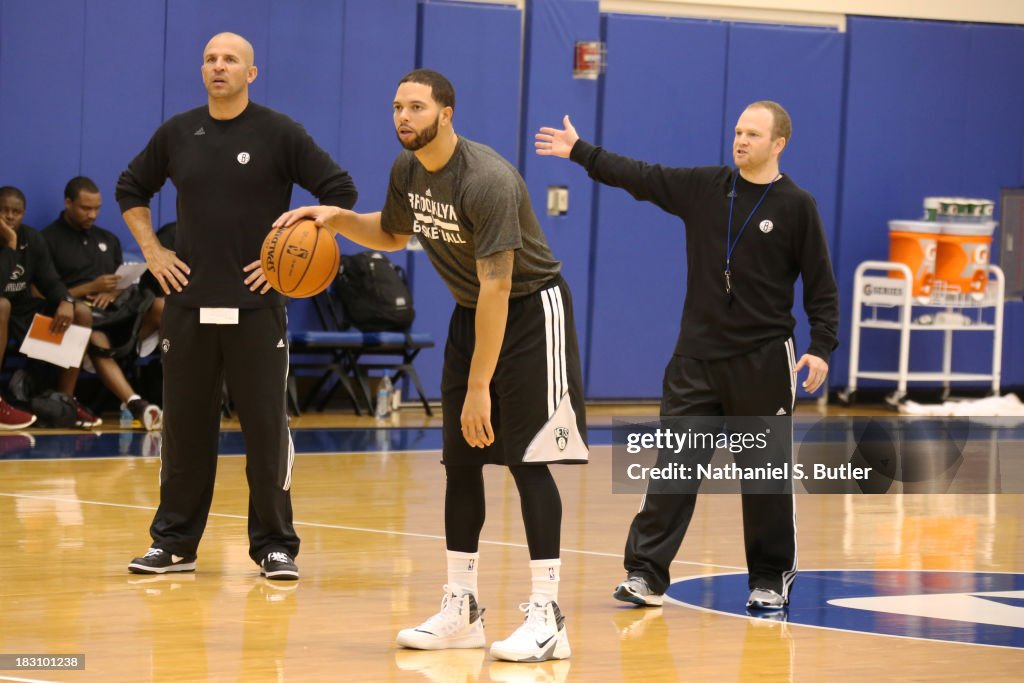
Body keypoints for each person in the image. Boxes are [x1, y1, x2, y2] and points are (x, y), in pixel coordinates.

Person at [275, 69, 588, 662]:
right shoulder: (408, 170)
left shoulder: (486, 179)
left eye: (416, 107)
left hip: (528, 310)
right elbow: (393, 234)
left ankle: (548, 616)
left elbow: (499, 285)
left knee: (527, 460)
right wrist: (334, 219)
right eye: (396, 106)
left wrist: (478, 386)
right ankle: (462, 608)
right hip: (474, 313)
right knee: (461, 459)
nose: (403, 117)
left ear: (446, 113)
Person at [536, 102, 839, 611]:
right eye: (738, 131)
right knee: (673, 468)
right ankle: (646, 574)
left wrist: (821, 347)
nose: (741, 141)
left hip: (763, 361)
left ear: (778, 143)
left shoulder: (796, 205)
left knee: (764, 477)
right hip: (695, 358)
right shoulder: (706, 187)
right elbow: (642, 177)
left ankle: (769, 577)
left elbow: (821, 286)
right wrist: (580, 152)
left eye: (753, 134)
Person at [115, 32, 357, 580]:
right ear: (202, 71)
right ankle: (174, 543)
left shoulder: (279, 132)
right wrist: (153, 252)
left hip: (258, 308)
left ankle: (275, 547)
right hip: (187, 304)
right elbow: (131, 187)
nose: (218, 67)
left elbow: (340, 192)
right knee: (184, 430)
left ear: (252, 73)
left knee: (267, 431)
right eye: (210, 59)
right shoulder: (178, 132)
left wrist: (290, 246)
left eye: (230, 60)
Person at [43, 176, 163, 430]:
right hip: (77, 322)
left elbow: (120, 280)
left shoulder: (108, 239)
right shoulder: (48, 239)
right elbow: (41, 293)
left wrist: (115, 292)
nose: (92, 214)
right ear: (68, 203)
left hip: (118, 317)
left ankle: (194, 392)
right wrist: (90, 288)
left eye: (97, 208)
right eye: (86, 208)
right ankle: (136, 404)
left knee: (162, 306)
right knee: (95, 335)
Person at [0, 185, 98, 429]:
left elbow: (50, 280)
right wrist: (10, 245)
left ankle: (64, 400)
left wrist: (66, 301)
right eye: (4, 210)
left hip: (21, 312)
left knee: (81, 312)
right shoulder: (13, 240)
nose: (10, 216)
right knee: (1, 305)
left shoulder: (32, 238)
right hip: (2, 311)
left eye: (16, 211)